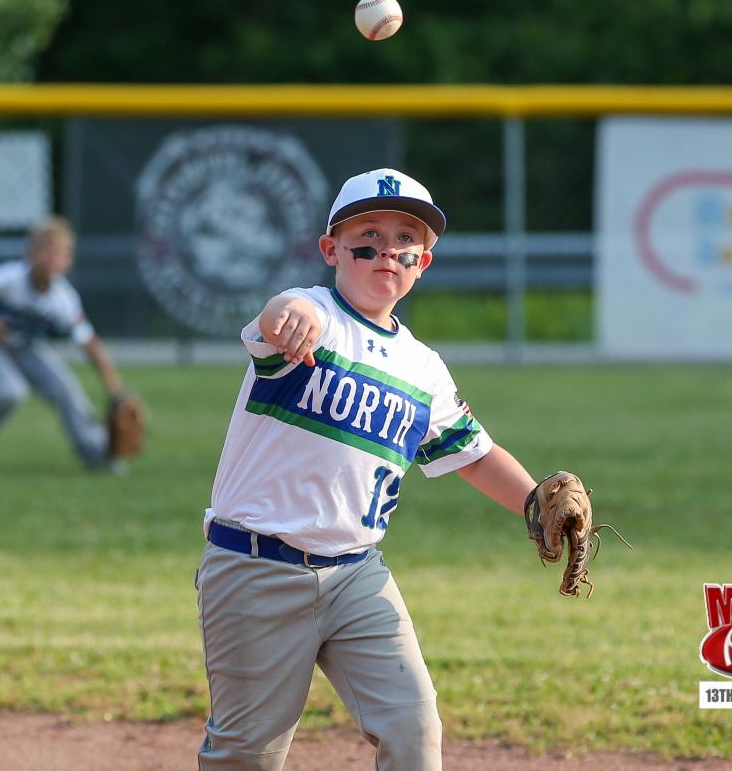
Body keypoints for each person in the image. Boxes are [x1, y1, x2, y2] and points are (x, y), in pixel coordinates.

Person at [197, 169, 551, 770]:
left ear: (423, 263)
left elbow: (474, 454)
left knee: (414, 727)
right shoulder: (313, 313)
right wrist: (289, 313)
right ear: (331, 249)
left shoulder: (424, 368)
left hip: (357, 574)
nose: (387, 250)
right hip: (256, 567)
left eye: (405, 239)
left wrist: (535, 500)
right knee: (246, 755)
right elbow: (278, 315)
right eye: (368, 236)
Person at [0, 216, 130, 474]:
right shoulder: (11, 278)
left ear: (69, 260)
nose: (53, 258)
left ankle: (96, 453)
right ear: (31, 254)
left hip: (22, 343)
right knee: (9, 392)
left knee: (64, 387)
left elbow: (89, 344)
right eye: (47, 250)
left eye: (61, 252)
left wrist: (116, 391)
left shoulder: (63, 300)